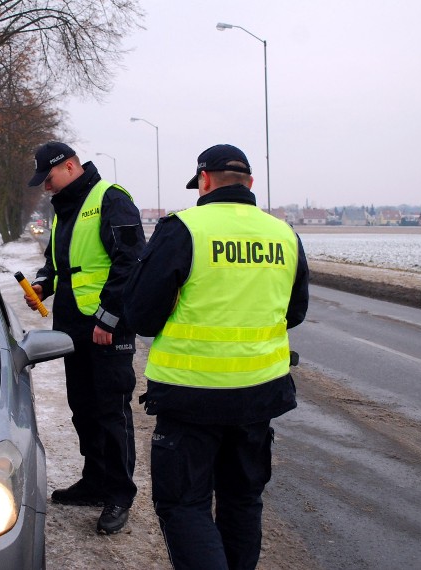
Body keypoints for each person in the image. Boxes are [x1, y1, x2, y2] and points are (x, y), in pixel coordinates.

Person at [124, 144, 309, 569]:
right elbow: (294, 313)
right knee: (242, 501)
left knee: (184, 506)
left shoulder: (184, 229)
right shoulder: (283, 235)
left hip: (192, 398)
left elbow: (141, 315)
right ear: (251, 184)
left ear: (203, 181)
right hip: (258, 397)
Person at [24, 141, 146, 535]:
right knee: (82, 405)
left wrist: (108, 319)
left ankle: (119, 493)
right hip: (74, 326)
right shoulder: (64, 209)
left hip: (107, 326)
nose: (45, 186)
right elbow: (57, 263)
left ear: (71, 166)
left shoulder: (110, 199)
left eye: (49, 177)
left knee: (111, 408)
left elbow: (131, 262)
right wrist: (43, 285)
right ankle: (95, 481)